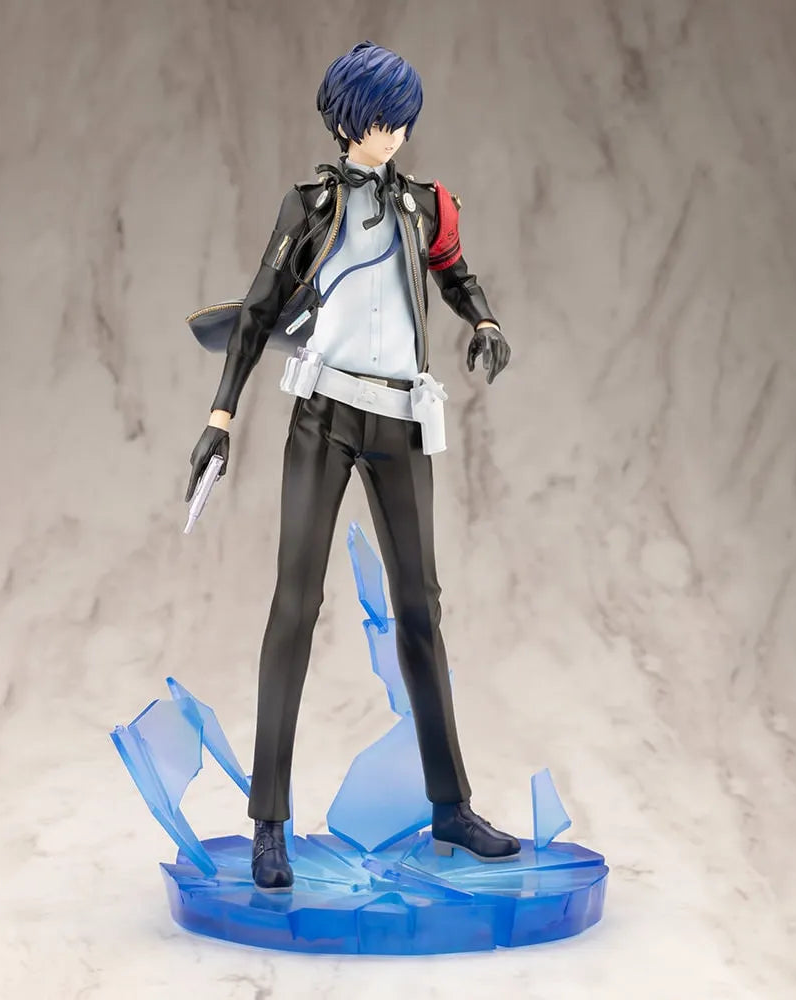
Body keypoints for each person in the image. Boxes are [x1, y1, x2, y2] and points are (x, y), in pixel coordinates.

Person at [186, 41, 519, 892]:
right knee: (295, 604)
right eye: (378, 120)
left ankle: (451, 807)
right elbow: (259, 311)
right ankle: (268, 822)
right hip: (324, 417)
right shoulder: (312, 205)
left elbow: (455, 274)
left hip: (401, 418)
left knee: (421, 609)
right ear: (346, 121)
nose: (392, 134)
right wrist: (221, 415)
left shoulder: (424, 205)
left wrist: (483, 321)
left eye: (400, 120)